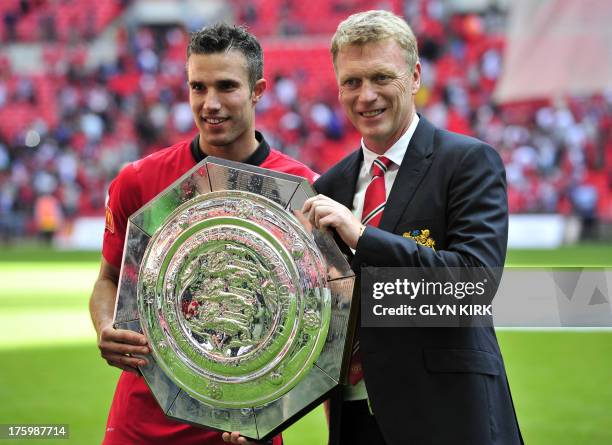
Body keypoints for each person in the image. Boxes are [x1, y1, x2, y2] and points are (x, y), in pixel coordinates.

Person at [89, 23, 317, 445]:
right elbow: (107, 280)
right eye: (198, 87)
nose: (210, 103)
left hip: (245, 429)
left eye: (226, 86)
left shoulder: (301, 191)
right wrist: (105, 326)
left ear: (258, 89)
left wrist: (276, 416)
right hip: (142, 425)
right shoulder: (139, 182)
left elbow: (321, 328)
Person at [303, 10, 523, 445]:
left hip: (447, 413)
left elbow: (474, 285)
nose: (366, 95)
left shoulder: (467, 162)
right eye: (351, 81)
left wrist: (363, 238)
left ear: (415, 76)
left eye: (382, 77)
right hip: (355, 418)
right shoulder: (330, 186)